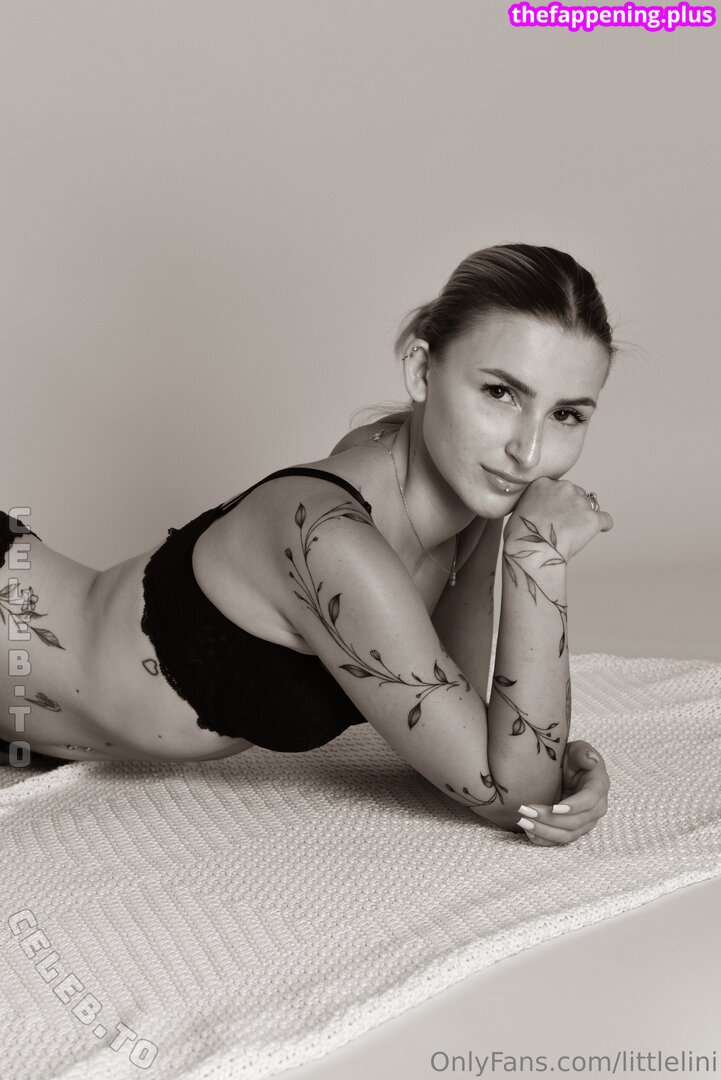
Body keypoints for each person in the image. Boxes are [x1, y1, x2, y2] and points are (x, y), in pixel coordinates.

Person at [1, 242, 613, 846]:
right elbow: (512, 793)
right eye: (501, 393)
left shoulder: (463, 505)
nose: (528, 452)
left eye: (566, 415)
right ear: (422, 370)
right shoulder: (330, 538)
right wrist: (538, 555)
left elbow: (476, 743)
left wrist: (552, 765)